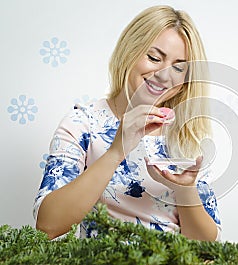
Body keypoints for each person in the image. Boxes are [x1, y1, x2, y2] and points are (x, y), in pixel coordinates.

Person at [33, 5, 221, 242]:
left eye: (178, 67)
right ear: (129, 51)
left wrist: (185, 191)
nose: (164, 75)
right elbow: (48, 225)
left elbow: (206, 246)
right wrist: (117, 151)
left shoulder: (188, 136)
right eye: (154, 58)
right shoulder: (83, 125)